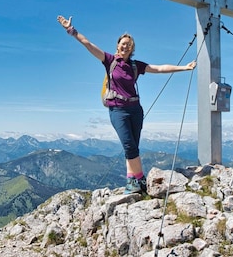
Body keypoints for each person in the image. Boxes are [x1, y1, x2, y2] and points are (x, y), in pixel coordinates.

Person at [56, 15, 196, 194]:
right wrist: (72, 31)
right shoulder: (109, 61)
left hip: (135, 110)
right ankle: (140, 179)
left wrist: (184, 68)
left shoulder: (136, 66)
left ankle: (132, 181)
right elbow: (88, 44)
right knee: (129, 145)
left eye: (129, 45)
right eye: (123, 43)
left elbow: (160, 68)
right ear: (117, 46)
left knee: (133, 147)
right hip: (118, 110)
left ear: (132, 49)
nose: (125, 46)